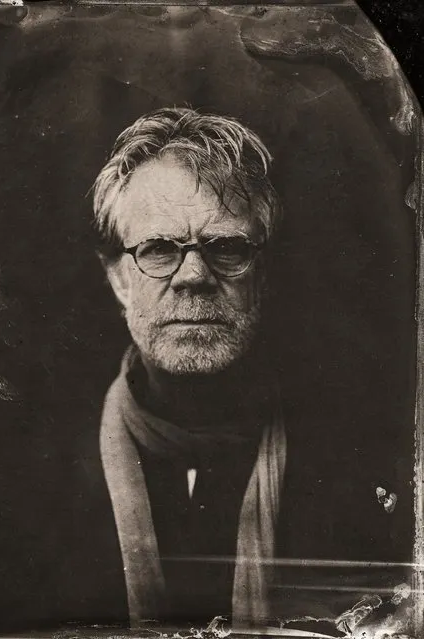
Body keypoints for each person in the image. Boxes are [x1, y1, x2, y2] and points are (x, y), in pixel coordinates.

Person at [92, 107, 286, 628]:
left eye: (227, 248)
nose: (194, 276)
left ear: (261, 275)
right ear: (118, 280)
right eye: (158, 249)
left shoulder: (359, 457)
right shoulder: (25, 477)